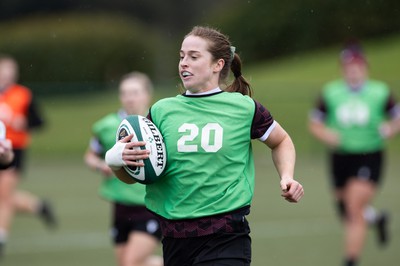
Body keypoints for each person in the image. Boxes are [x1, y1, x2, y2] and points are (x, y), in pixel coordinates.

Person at [105, 26, 304, 266]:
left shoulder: (244, 108)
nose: (184, 63)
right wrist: (116, 162)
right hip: (175, 239)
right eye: (181, 56)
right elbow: (140, 174)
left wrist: (287, 176)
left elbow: (281, 141)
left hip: (226, 235)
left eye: (193, 56)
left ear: (217, 65)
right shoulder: (161, 111)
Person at [308, 42, 400, 266]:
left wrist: (390, 128)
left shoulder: (380, 91)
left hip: (369, 155)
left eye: (357, 65)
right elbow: (315, 123)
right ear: (343, 68)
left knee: (353, 208)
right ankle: (376, 219)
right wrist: (326, 134)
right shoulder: (331, 92)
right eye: (348, 65)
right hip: (340, 157)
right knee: (344, 207)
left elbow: (397, 116)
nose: (353, 70)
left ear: (365, 66)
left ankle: (350, 261)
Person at [84, 72, 163, 266]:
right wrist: (102, 164)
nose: (129, 97)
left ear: (147, 95)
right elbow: (90, 155)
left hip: (149, 205)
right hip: (120, 206)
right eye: (124, 93)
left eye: (135, 92)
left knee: (131, 263)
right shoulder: (106, 126)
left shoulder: (158, 124)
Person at [0, 55, 57, 256]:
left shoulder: (23, 94)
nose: (6, 74)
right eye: (3, 70)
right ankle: (39, 206)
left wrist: (23, 123)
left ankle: (2, 239)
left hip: (14, 150)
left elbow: (40, 121)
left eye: (10, 70)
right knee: (3, 196)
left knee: (4, 196)